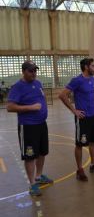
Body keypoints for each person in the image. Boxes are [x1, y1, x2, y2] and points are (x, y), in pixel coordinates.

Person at [7, 61, 53, 196]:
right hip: (27, 126)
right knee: (30, 155)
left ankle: (38, 176)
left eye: (35, 71)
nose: (34, 73)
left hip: (41, 124)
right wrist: (31, 108)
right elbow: (10, 107)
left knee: (42, 152)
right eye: (30, 71)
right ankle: (32, 184)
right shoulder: (17, 87)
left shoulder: (38, 84)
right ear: (24, 71)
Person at [58, 58, 94, 182]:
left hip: (93, 116)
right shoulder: (77, 80)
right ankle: (80, 170)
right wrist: (74, 110)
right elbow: (62, 95)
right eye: (93, 66)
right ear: (86, 67)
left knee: (93, 141)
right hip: (82, 118)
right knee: (79, 144)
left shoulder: (92, 79)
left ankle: (93, 165)